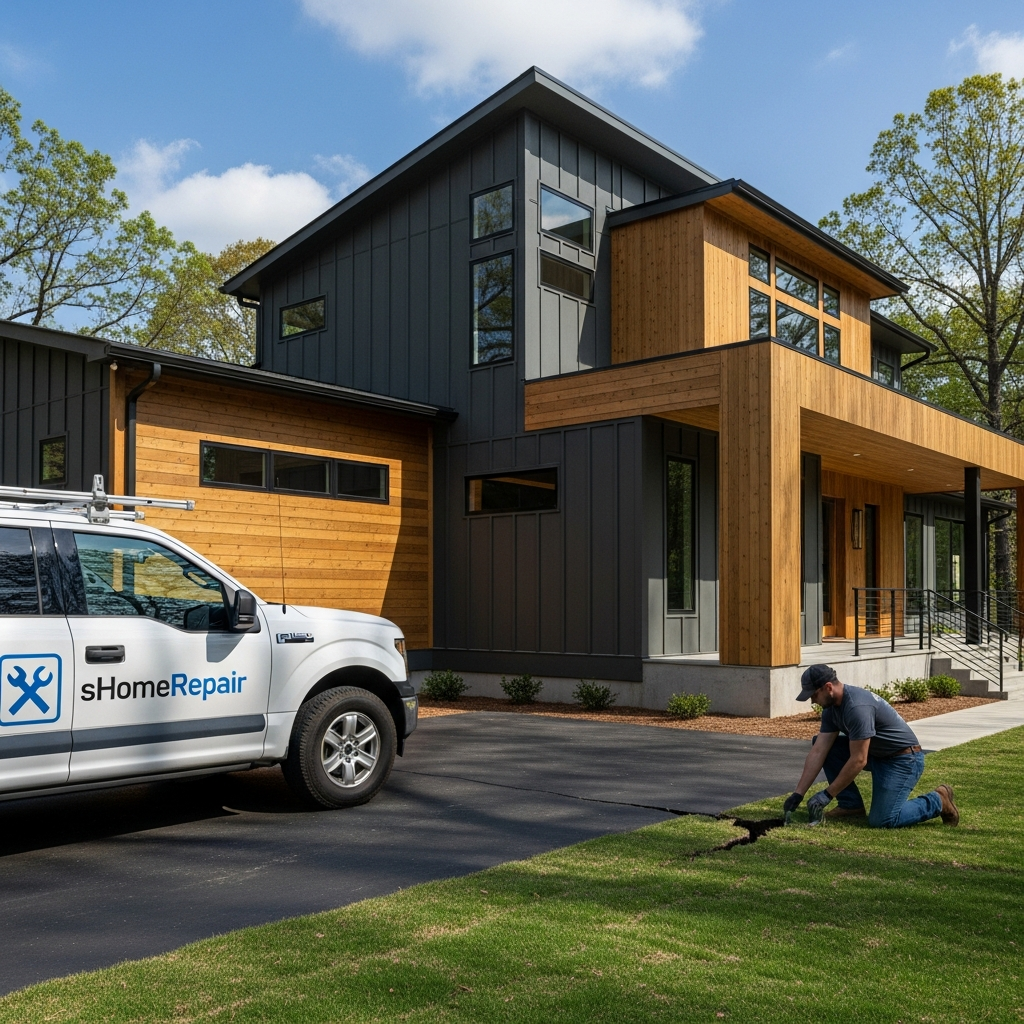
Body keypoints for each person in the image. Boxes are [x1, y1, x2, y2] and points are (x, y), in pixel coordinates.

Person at [782, 664, 959, 828]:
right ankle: (850, 806)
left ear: (828, 687)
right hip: (878, 755)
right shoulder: (831, 709)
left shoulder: (857, 707)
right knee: (829, 747)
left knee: (883, 819)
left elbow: (859, 760)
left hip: (903, 759)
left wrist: (827, 795)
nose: (812, 701)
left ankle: (938, 800)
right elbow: (819, 750)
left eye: (814, 695)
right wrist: (798, 794)